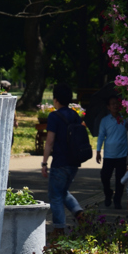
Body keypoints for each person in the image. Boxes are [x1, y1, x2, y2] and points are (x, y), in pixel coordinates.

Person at [41, 83, 86, 230]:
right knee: (62, 191)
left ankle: (59, 228)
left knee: (55, 196)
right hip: (74, 162)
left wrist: (44, 163)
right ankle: (79, 214)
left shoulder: (54, 116)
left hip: (60, 162)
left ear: (55, 100)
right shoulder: (75, 115)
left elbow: (50, 141)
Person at [96, 95, 128, 209]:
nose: (115, 105)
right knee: (105, 176)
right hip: (109, 155)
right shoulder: (105, 121)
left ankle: (117, 200)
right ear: (108, 107)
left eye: (117, 103)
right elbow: (101, 136)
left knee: (120, 179)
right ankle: (108, 193)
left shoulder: (125, 119)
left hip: (122, 154)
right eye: (112, 103)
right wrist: (98, 150)